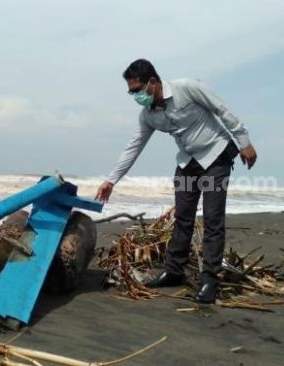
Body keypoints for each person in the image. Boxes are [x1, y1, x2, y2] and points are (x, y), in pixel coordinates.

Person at [95, 59, 257, 304]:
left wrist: (245, 143)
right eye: (131, 92)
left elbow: (221, 109)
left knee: (213, 219)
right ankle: (173, 271)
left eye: (137, 90)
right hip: (188, 162)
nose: (135, 96)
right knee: (182, 217)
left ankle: (210, 281)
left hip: (216, 155)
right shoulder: (148, 116)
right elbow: (134, 147)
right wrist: (111, 180)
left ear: (152, 82)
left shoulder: (187, 87)